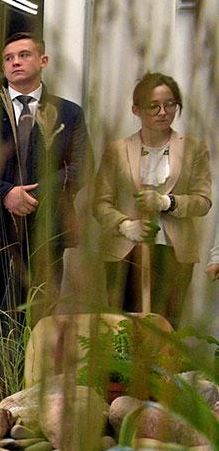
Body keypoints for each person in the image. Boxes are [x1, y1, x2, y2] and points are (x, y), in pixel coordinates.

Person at [0, 30, 88, 320]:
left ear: (43, 60)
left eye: (24, 55)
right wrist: (5, 194)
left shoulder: (68, 113)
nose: (15, 62)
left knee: (39, 319)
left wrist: (32, 195)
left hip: (46, 232)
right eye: (8, 58)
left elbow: (82, 167)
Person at [93, 72, 211, 322]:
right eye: (153, 106)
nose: (163, 112)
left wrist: (168, 202)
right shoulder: (117, 150)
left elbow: (203, 201)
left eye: (170, 104)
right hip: (123, 252)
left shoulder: (194, 148)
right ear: (136, 110)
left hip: (174, 252)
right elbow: (100, 203)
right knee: (123, 325)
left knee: (166, 325)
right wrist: (125, 226)